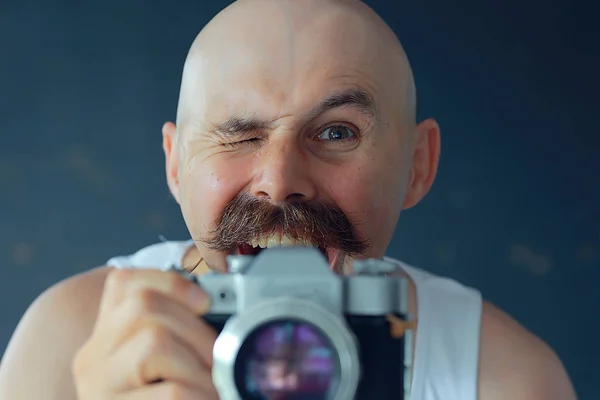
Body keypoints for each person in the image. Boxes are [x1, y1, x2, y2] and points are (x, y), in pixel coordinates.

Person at [0, 0, 577, 399]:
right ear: (176, 165)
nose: (279, 181)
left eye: (336, 132)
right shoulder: (73, 340)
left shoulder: (502, 381)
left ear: (417, 167)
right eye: (240, 134)